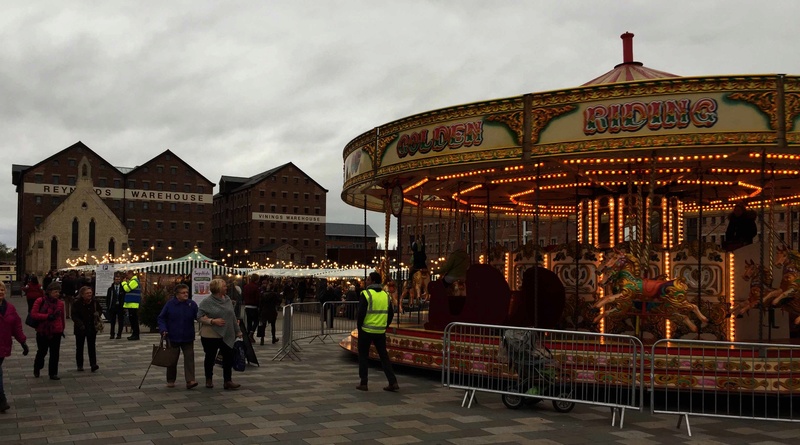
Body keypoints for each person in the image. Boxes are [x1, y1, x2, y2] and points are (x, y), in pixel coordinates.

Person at [356, 271, 399, 392]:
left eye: (368, 279)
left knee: (363, 356)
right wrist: (385, 325)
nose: (366, 281)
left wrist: (359, 327)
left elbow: (361, 313)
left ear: (373, 281)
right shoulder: (386, 295)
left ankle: (364, 382)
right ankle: (392, 381)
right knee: (384, 356)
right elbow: (390, 313)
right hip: (380, 331)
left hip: (366, 329)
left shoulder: (366, 294)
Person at [197, 278, 243, 390]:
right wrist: (212, 321)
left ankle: (228, 381)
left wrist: (237, 331)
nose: (226, 287)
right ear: (217, 288)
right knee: (210, 357)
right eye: (224, 286)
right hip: (210, 334)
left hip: (227, 334)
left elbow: (232, 316)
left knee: (228, 357)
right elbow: (199, 317)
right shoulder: (207, 302)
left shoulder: (227, 299)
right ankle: (209, 379)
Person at [157, 284, 199, 389]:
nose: (186, 294)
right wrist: (163, 329)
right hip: (173, 336)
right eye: (183, 292)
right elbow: (161, 318)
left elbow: (199, 316)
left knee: (189, 359)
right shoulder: (170, 304)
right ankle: (170, 380)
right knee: (172, 359)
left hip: (188, 336)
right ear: (177, 294)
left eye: (187, 292)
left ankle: (190, 380)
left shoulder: (191, 304)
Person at [0, 281, 29, 413]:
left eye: (2, 289)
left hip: (3, 345)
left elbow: (16, 327)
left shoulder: (10, 308)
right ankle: (2, 400)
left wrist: (23, 342)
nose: (1, 292)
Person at [31, 281, 65, 380]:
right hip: (43, 330)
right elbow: (33, 314)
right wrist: (46, 316)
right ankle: (37, 366)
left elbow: (61, 317)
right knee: (42, 351)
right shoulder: (40, 301)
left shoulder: (60, 303)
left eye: (58, 292)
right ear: (49, 292)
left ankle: (53, 373)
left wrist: (62, 329)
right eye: (55, 292)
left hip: (56, 331)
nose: (57, 294)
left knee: (55, 353)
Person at [71, 285, 102, 373]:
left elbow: (100, 310)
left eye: (90, 293)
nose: (89, 295)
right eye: (87, 293)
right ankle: (80, 365)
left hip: (92, 327)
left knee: (91, 346)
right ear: (82, 294)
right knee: (80, 347)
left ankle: (93, 364)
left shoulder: (94, 302)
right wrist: (80, 324)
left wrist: (98, 313)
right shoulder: (77, 303)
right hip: (80, 328)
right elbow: (74, 315)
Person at [122, 272, 141, 341]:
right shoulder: (132, 281)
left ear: (131, 274)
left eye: (127, 275)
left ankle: (136, 335)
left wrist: (123, 283)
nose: (127, 277)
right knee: (132, 320)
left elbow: (127, 289)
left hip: (133, 303)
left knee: (134, 320)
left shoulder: (134, 281)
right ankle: (134, 334)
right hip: (131, 303)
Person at [106, 273, 125, 339]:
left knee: (120, 321)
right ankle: (112, 334)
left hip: (120, 306)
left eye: (119, 279)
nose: (117, 280)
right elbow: (108, 298)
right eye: (116, 279)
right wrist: (108, 306)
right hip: (113, 306)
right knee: (112, 321)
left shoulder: (123, 288)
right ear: (114, 280)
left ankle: (119, 334)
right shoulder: (110, 289)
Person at [242, 274, 261, 338]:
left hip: (247, 306)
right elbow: (257, 297)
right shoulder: (256, 287)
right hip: (254, 306)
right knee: (256, 321)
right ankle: (251, 332)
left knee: (249, 321)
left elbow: (243, 295)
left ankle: (248, 333)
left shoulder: (246, 286)